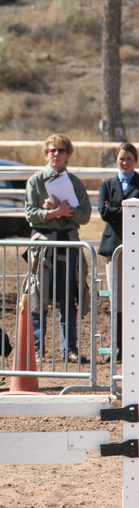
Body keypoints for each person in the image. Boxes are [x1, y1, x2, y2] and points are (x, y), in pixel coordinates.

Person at [23, 133, 92, 363]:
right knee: (38, 296)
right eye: (52, 150)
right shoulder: (35, 181)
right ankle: (37, 351)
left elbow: (85, 215)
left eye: (61, 150)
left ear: (68, 155)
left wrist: (67, 211)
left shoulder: (75, 183)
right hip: (43, 244)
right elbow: (30, 214)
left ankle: (69, 350)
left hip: (68, 242)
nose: (56, 154)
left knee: (68, 297)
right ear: (46, 154)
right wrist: (53, 213)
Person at [97, 141, 138, 361]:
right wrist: (127, 208)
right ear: (116, 160)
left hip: (136, 244)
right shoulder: (107, 184)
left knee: (134, 297)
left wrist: (114, 209)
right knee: (117, 299)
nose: (125, 162)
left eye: (129, 158)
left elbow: (110, 210)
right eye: (121, 158)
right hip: (114, 245)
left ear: (135, 160)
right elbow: (102, 213)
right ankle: (116, 347)